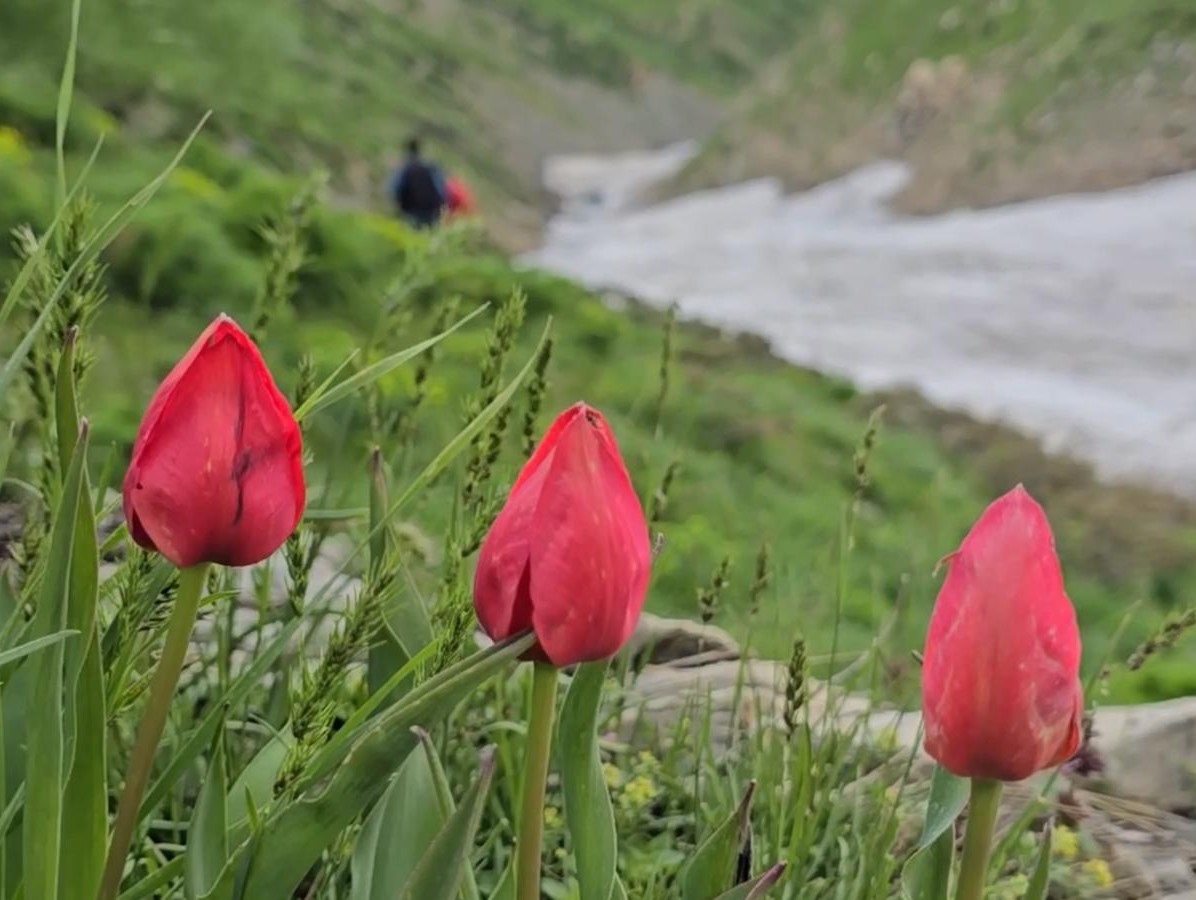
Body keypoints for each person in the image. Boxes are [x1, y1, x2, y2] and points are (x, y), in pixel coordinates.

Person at [389, 138, 446, 228]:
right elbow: (441, 190)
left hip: (410, 212)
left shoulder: (405, 169)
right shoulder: (429, 167)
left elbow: (393, 188)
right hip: (431, 212)